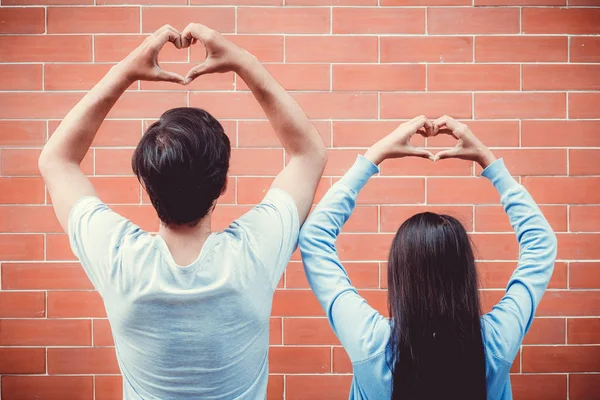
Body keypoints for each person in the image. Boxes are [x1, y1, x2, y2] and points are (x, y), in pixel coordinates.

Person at [38, 24, 327, 399]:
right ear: (222, 185)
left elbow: (56, 160)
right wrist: (244, 62)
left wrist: (125, 71)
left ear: (147, 189)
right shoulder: (253, 254)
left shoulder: (118, 259)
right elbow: (309, 153)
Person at [299, 115, 557, 400]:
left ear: (399, 274)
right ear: (465, 273)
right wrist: (487, 160)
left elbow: (314, 237)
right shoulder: (496, 342)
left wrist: (375, 155)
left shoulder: (370, 344)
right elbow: (541, 243)